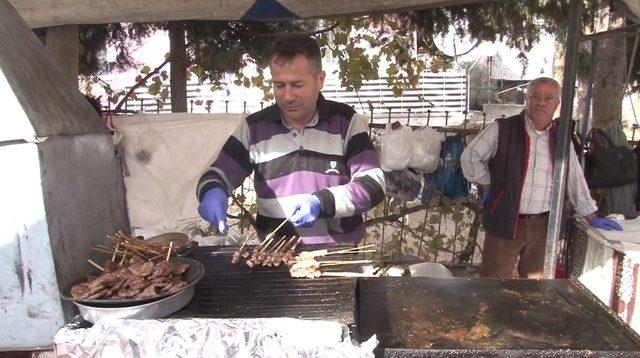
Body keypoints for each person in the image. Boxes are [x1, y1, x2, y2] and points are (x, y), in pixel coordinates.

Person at [196, 35, 385, 245]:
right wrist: (212, 191)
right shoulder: (255, 127)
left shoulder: (345, 122)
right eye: (279, 85)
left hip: (338, 256)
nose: (287, 96)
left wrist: (321, 202)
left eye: (296, 85)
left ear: (319, 79)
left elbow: (373, 184)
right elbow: (217, 173)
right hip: (275, 258)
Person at [460, 77, 622, 279]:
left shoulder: (561, 138)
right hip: (506, 220)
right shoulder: (502, 129)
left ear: (556, 104)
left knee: (536, 289)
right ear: (527, 99)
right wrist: (487, 185)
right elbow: (470, 156)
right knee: (493, 283)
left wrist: (591, 215)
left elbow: (573, 177)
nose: (541, 102)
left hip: (544, 226)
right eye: (535, 96)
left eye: (548, 98)